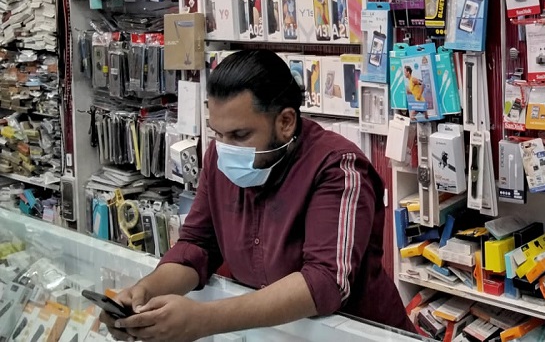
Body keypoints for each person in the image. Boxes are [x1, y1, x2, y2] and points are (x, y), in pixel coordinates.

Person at [106, 50, 412, 342]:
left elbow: (325, 281)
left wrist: (204, 319)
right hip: (273, 332)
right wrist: (146, 292)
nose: (225, 148)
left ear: (285, 122)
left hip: (351, 333)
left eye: (240, 135)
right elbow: (197, 245)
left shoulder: (337, 167)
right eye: (217, 134)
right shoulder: (218, 157)